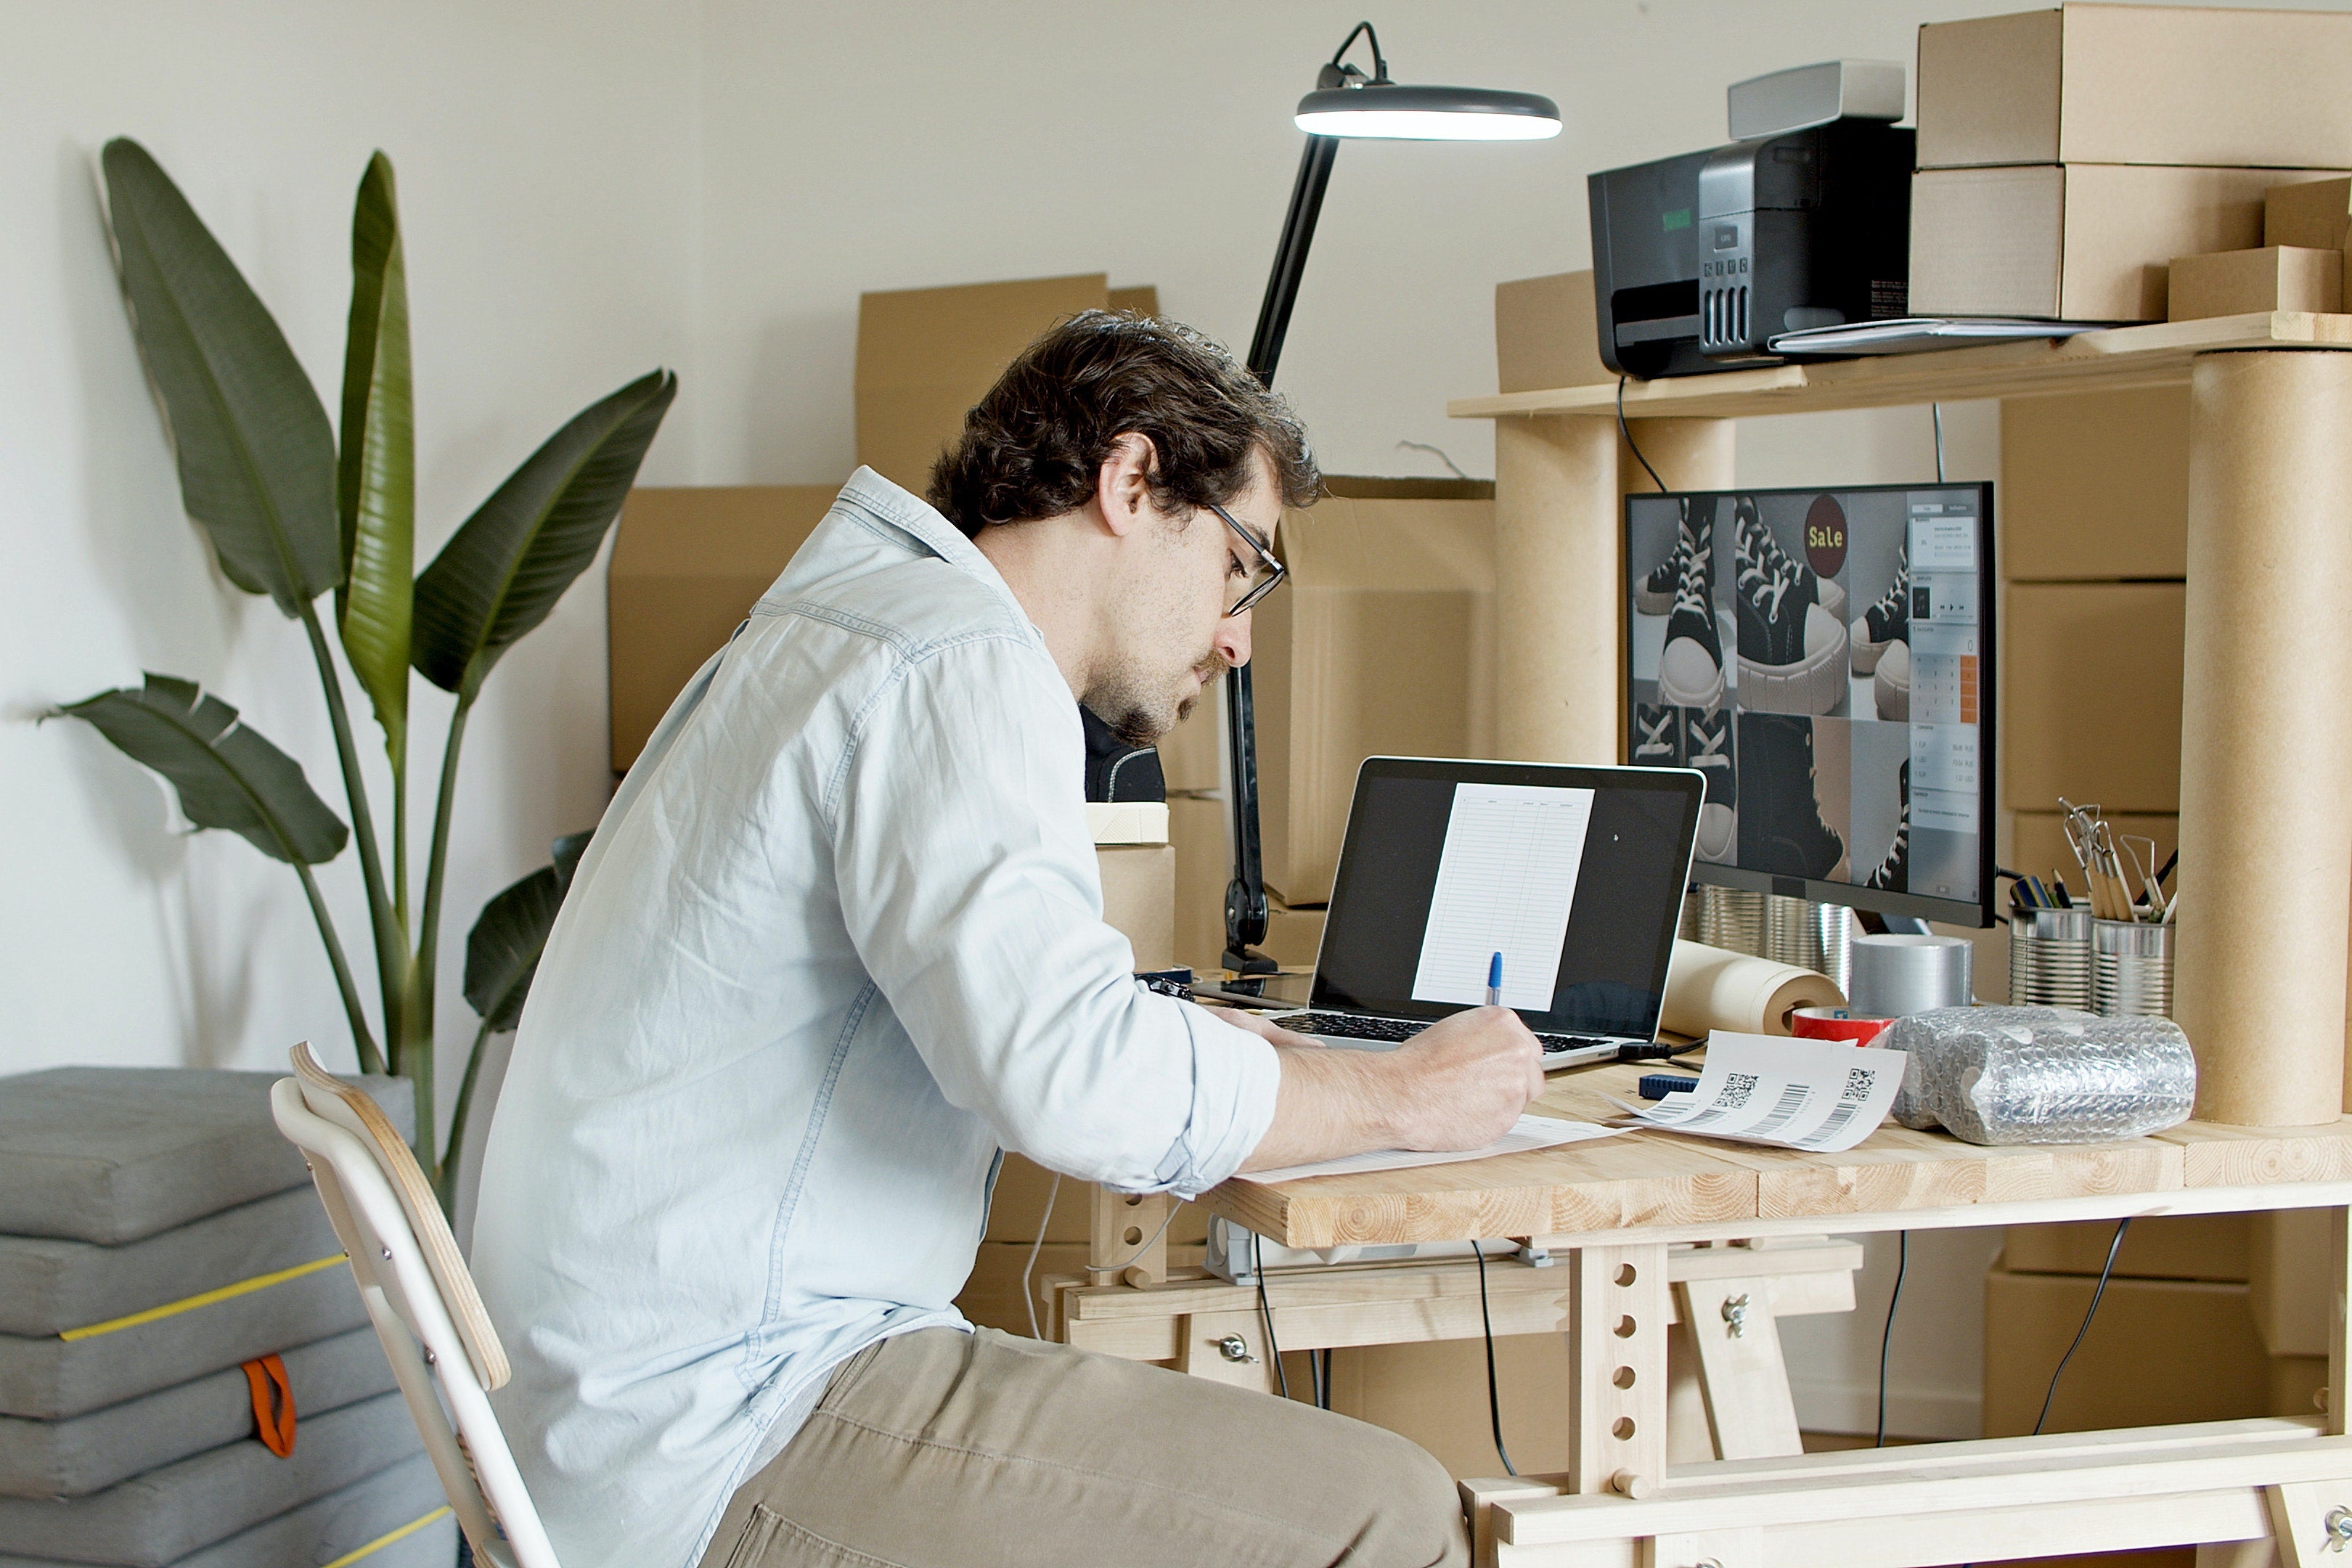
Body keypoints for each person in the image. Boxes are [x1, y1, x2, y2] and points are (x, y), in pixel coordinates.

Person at [472, 311, 1546, 1568]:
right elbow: (1065, 1075)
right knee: (1392, 1509)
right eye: (1242, 566)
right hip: (727, 1431)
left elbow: (1026, 1009)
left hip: (624, 1417)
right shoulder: (955, 662)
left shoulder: (856, 627)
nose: (1238, 635)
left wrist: (1209, 1051)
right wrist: (1398, 1095)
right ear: (1133, 483)